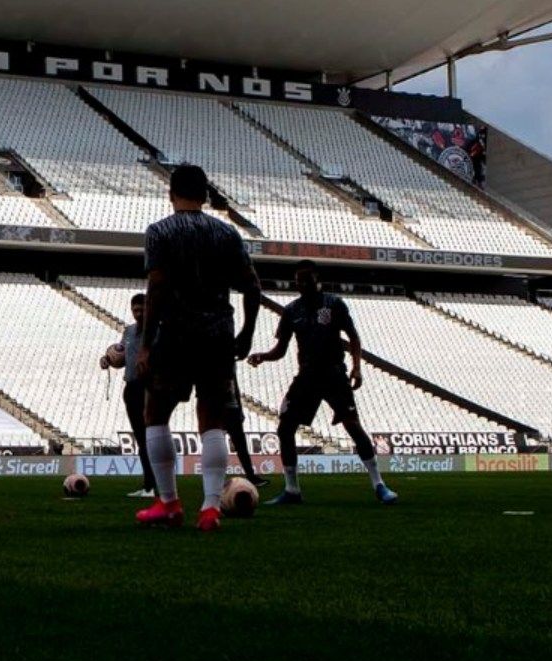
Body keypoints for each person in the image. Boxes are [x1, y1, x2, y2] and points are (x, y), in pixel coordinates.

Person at [133, 165, 262, 532]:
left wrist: (146, 345)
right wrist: (247, 333)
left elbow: (157, 288)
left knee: (156, 412)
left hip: (176, 333)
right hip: (218, 335)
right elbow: (252, 287)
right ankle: (210, 508)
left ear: (170, 194)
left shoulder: (160, 231)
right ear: (205, 196)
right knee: (213, 418)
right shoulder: (227, 233)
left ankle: (169, 502)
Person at [248, 261, 399, 506]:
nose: (302, 285)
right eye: (298, 281)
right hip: (307, 376)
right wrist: (263, 356)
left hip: (334, 374)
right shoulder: (291, 311)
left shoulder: (334, 304)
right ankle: (292, 489)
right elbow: (281, 349)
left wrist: (357, 368)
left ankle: (379, 485)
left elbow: (353, 337)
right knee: (285, 428)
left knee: (352, 425)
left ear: (318, 280)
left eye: (306, 280)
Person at [101, 293, 160, 499]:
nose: (139, 313)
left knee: (151, 437)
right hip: (132, 387)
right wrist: (108, 360)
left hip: (150, 387)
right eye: (135, 310)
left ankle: (155, 485)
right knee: (142, 438)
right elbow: (121, 356)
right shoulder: (128, 331)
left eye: (142, 309)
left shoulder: (157, 330)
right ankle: (149, 486)